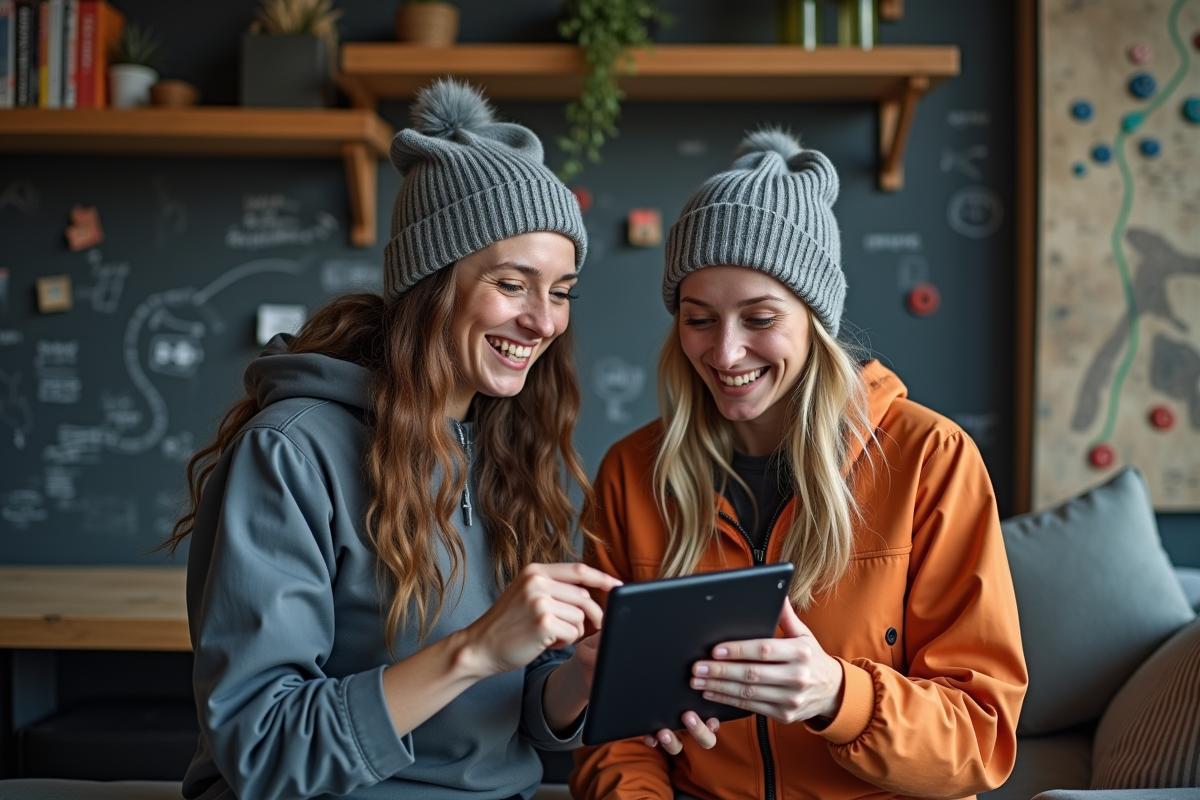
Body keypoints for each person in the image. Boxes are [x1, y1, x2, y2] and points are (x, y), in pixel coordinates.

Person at [165, 79, 620, 800]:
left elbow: (514, 705)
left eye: (560, 291)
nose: (543, 321)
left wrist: (581, 678)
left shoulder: (503, 447)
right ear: (431, 284)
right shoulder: (290, 452)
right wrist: (473, 651)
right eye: (512, 285)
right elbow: (263, 745)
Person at [570, 130, 1027, 800]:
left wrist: (838, 695)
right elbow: (613, 733)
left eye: (759, 319)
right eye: (699, 319)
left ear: (816, 320)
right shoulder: (629, 475)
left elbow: (980, 740)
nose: (725, 353)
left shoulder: (932, 459)